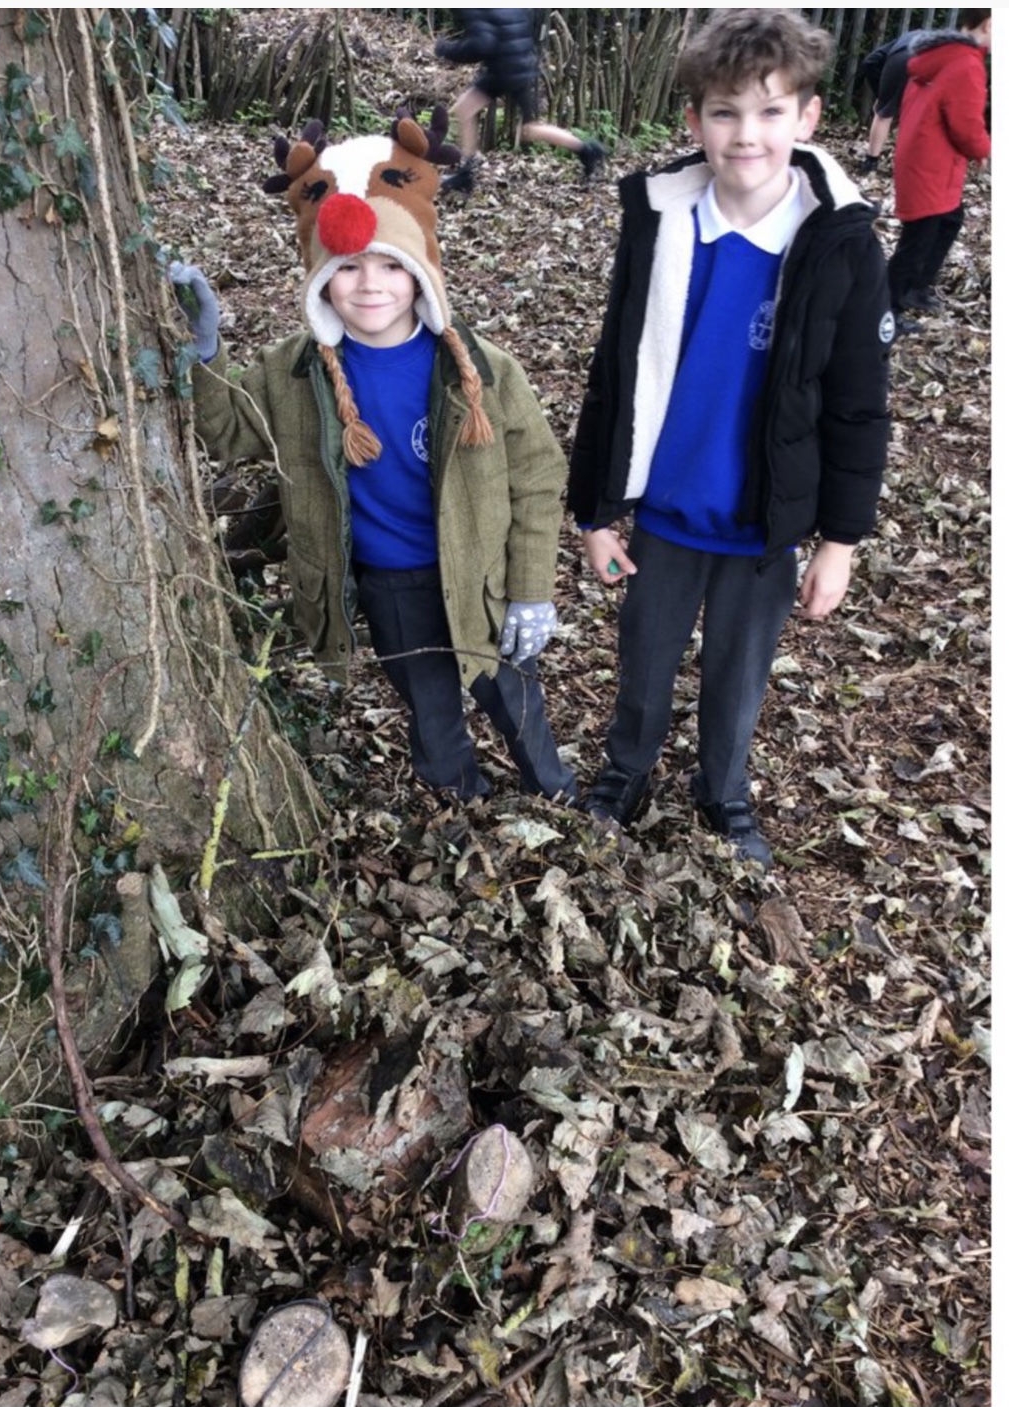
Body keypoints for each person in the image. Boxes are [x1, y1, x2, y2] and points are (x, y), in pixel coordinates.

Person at [171, 111, 577, 806]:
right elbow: (232, 432)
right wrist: (206, 354)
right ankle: (463, 806)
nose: (370, 284)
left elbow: (538, 476)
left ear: (421, 271)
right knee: (432, 711)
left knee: (510, 694)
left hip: (480, 574)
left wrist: (533, 586)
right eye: (349, 267)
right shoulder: (295, 372)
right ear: (321, 278)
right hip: (392, 582)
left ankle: (557, 796)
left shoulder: (477, 367)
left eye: (392, 264)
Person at [566, 8, 893, 869]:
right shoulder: (661, 221)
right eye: (724, 112)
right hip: (669, 513)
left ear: (809, 117)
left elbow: (861, 403)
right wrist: (594, 512)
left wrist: (842, 541)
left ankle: (724, 791)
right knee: (644, 659)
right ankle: (624, 773)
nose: (746, 134)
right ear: (694, 121)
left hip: (763, 522)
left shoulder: (841, 244)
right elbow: (616, 368)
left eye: (770, 110)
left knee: (736, 674)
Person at [886, 10, 991, 329]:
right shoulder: (966, 64)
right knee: (916, 239)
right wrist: (985, 150)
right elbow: (967, 125)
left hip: (922, 159)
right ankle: (887, 307)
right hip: (933, 166)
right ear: (990, 24)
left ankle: (917, 287)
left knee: (949, 219)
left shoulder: (938, 56)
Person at [434, 9, 605, 193]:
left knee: (467, 110)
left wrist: (447, 49)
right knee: (530, 127)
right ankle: (586, 150)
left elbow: (482, 44)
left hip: (503, 70)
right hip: (518, 65)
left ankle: (465, 176)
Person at [858, 26, 929, 172]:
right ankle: (913, 164)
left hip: (900, 56)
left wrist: (883, 96)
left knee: (884, 114)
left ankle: (871, 162)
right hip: (929, 62)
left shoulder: (903, 39)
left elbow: (870, 62)